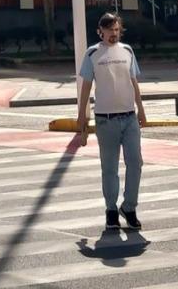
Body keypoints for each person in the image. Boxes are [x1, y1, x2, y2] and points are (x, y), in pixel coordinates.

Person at [76, 12, 147, 231]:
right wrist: (82, 117)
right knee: (109, 167)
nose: (114, 34)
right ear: (101, 31)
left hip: (129, 117)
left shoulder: (127, 51)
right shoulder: (93, 54)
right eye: (110, 30)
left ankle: (130, 207)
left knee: (135, 162)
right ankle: (111, 211)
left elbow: (133, 81)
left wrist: (141, 109)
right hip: (105, 120)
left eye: (117, 30)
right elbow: (86, 87)